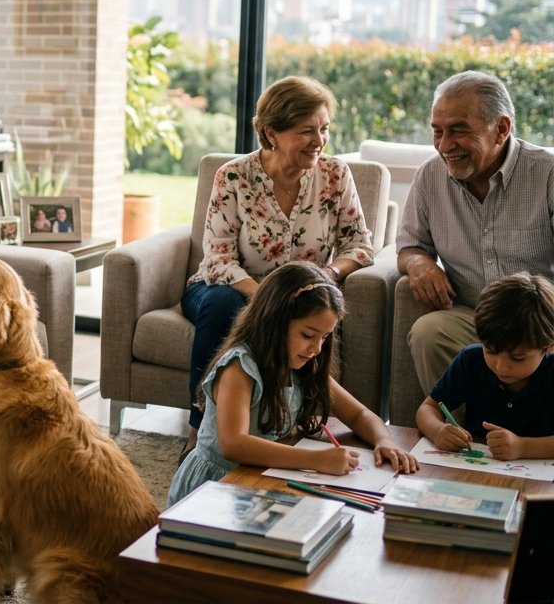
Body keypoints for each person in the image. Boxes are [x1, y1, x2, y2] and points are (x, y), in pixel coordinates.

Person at [181, 75, 375, 450]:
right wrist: (271, 297)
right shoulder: (234, 176)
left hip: (303, 294)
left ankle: (286, 423)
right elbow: (218, 259)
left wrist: (329, 275)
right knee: (225, 306)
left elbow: (361, 245)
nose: (319, 141)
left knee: (311, 314)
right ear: (272, 133)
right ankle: (200, 426)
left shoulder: (335, 175)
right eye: (307, 131)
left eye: (324, 129)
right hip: (227, 288)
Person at [168, 262, 418, 506]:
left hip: (263, 477)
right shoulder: (239, 367)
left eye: (325, 337)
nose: (317, 348)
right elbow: (234, 444)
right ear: (274, 322)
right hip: (215, 488)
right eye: (308, 335)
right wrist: (316, 459)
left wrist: (384, 441)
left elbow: (359, 414)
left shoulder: (304, 367)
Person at [397, 70, 554, 394]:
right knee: (429, 331)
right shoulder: (430, 177)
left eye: (458, 130)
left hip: (543, 323)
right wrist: (418, 264)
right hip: (475, 320)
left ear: (501, 129)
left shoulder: (547, 174)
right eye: (437, 131)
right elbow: (410, 245)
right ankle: (458, 436)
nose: (444, 145)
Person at [416, 272, 554, 461]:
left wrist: (522, 447)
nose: (501, 367)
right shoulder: (471, 360)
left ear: (548, 346)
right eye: (490, 351)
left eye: (517, 358)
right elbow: (428, 409)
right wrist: (438, 430)